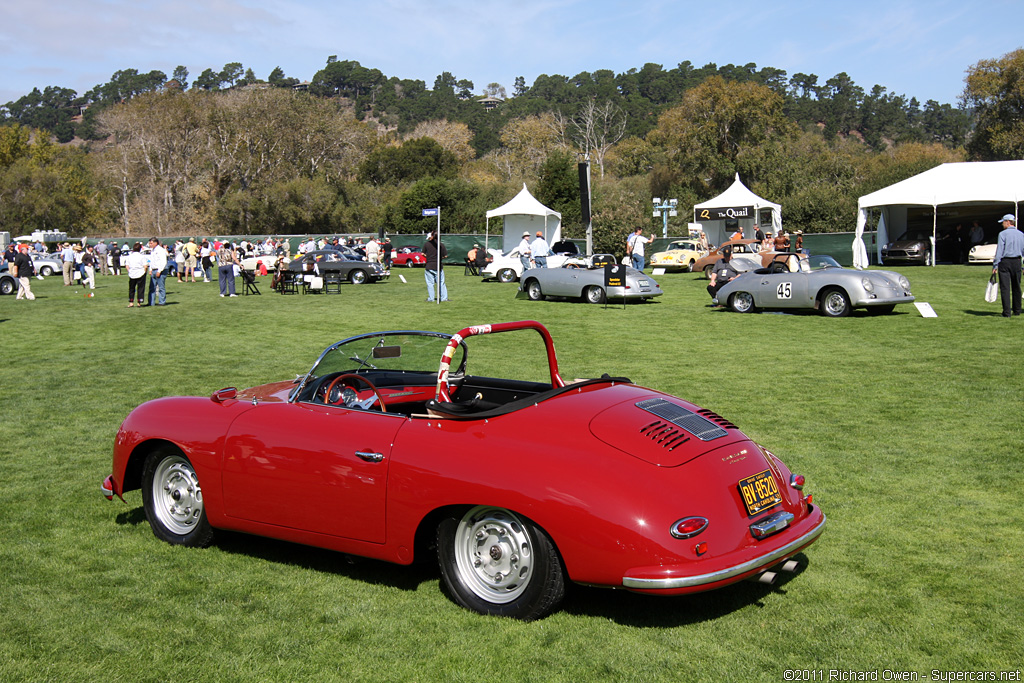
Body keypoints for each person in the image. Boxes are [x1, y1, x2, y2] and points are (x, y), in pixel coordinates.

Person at [992, 214, 1023, 317]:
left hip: (1005, 262)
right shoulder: (1021, 234)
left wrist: (995, 265)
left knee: (1005, 288)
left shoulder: (1002, 234)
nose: (1002, 225)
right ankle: (1017, 310)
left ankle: (1007, 312)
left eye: (1003, 222)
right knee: (1016, 286)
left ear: (1008, 222)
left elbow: (1000, 251)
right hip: (1017, 261)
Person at [423, 231, 448, 302]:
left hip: (429, 265)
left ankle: (431, 298)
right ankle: (444, 298)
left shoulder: (427, 244)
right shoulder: (441, 245)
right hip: (438, 266)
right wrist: (440, 258)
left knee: (430, 283)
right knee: (441, 283)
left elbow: (423, 253)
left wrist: (428, 257)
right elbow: (445, 255)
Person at [146, 237, 168, 306]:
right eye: (149, 243)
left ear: (156, 243)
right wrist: (150, 269)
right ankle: (151, 302)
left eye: (151, 243)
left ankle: (162, 302)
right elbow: (151, 261)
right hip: (153, 270)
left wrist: (159, 271)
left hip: (160, 270)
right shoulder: (152, 250)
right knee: (152, 287)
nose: (150, 244)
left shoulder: (160, 250)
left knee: (161, 287)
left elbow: (163, 261)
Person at [126, 243, 147, 307]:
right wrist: (144, 272)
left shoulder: (130, 256)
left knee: (131, 288)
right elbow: (145, 266)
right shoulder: (142, 256)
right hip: (140, 273)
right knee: (140, 288)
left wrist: (130, 271)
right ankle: (139, 302)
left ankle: (131, 302)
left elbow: (127, 266)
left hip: (132, 273)